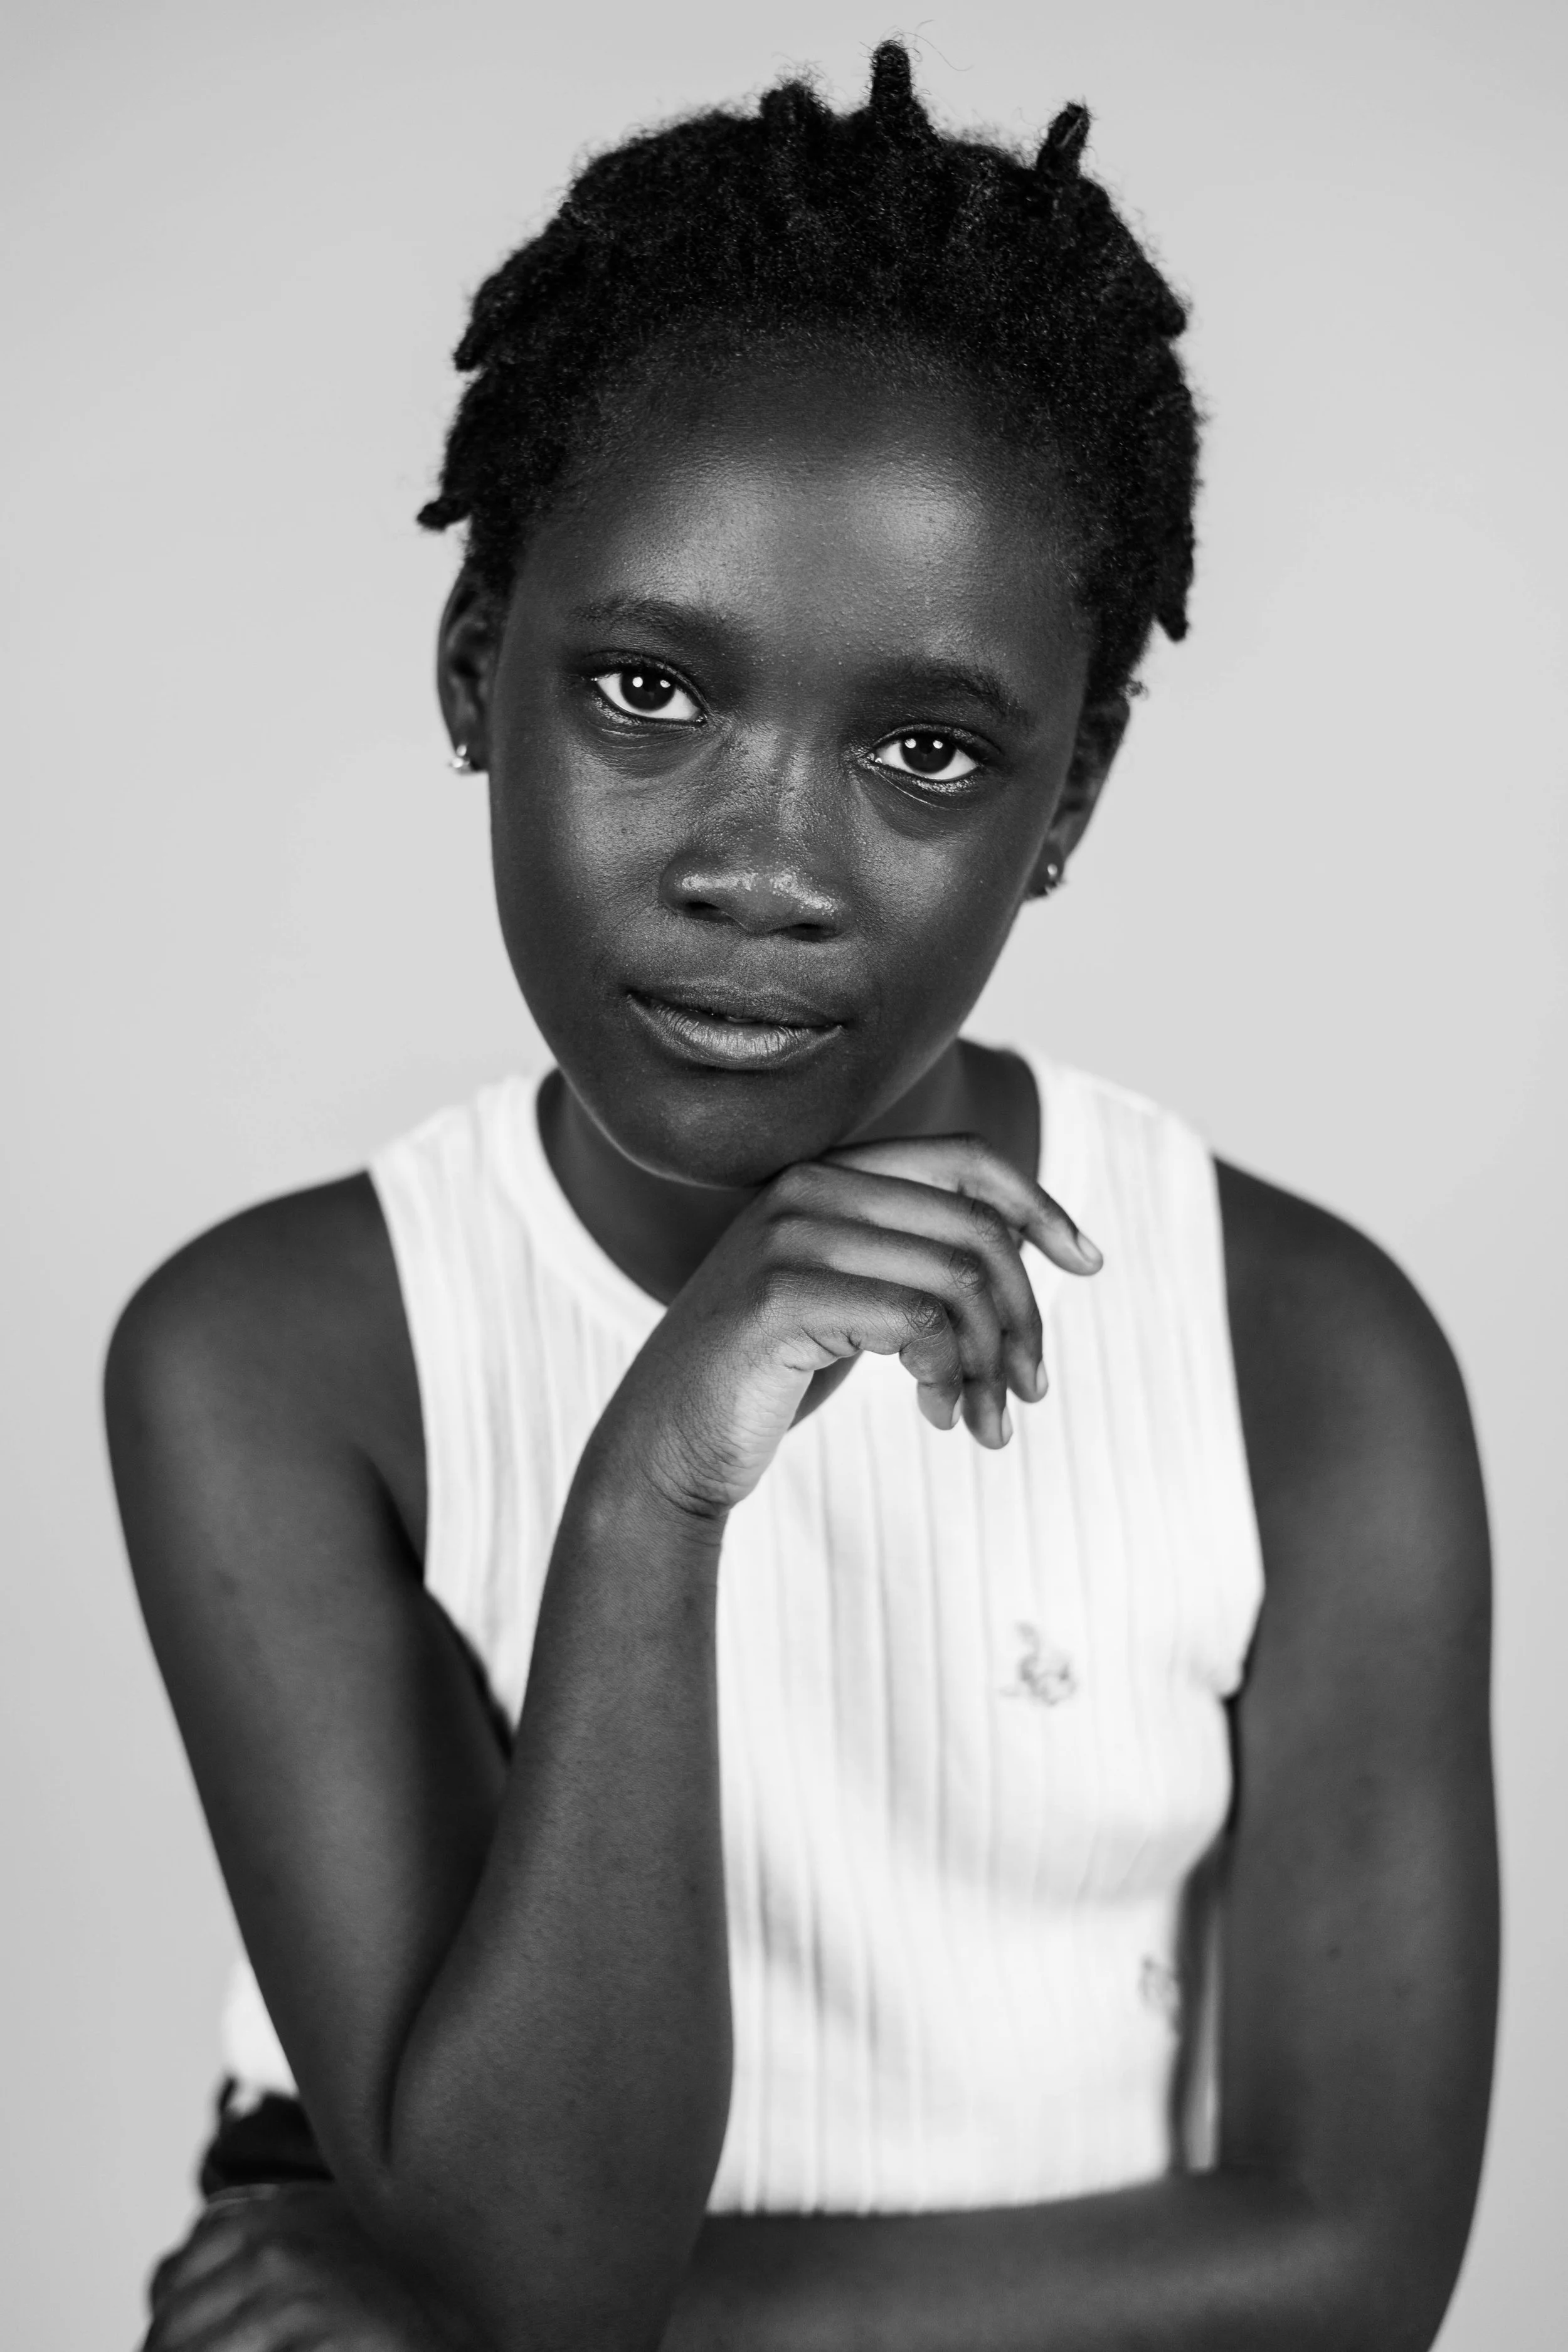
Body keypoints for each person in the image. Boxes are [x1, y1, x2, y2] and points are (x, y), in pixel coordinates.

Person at [106, 41, 1496, 2352]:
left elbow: (1352, 2269)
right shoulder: (272, 1356)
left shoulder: (1304, 1353)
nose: (761, 866)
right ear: (476, 672)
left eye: (928, 751)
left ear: (1067, 802)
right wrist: (656, 1474)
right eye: (646, 690)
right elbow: (536, 2228)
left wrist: (521, 2334)